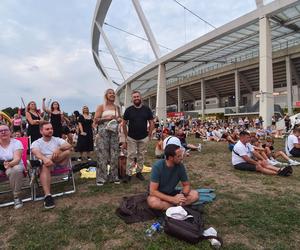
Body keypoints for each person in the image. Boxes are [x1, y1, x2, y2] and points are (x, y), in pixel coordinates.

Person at [31, 121, 72, 209]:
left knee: (67, 151)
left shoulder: (57, 139)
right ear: (41, 131)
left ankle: (40, 162)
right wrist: (45, 160)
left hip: (60, 163)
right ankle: (48, 196)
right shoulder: (37, 142)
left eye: (51, 128)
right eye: (47, 129)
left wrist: (59, 149)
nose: (50, 130)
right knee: (45, 165)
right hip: (47, 166)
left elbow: (69, 146)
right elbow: (36, 152)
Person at [147, 144, 199, 211]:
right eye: (178, 156)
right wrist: (173, 199)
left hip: (171, 192)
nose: (182, 158)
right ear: (171, 158)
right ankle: (177, 207)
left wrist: (181, 196)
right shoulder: (158, 166)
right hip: (159, 195)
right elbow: (153, 191)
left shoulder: (180, 166)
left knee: (195, 195)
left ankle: (171, 207)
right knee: (153, 203)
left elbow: (186, 185)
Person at [122, 91, 154, 182]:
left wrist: (150, 135)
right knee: (130, 155)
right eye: (134, 97)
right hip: (131, 137)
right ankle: (128, 174)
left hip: (143, 137)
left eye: (137, 96)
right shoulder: (128, 110)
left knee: (141, 155)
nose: (136, 98)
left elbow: (151, 122)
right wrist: (126, 136)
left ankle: (139, 172)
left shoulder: (147, 109)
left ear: (141, 98)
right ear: (132, 99)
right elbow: (123, 124)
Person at [93, 89, 121, 186]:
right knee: (102, 155)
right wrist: (107, 118)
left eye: (113, 93)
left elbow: (119, 119)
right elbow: (96, 120)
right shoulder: (101, 107)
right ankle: (101, 178)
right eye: (110, 93)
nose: (112, 94)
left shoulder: (117, 107)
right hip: (103, 132)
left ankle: (113, 176)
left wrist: (119, 119)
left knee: (114, 154)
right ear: (106, 95)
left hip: (114, 133)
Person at [0, 124, 24, 209]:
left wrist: (9, 164)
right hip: (2, 166)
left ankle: (17, 196)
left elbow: (17, 159)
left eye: (5, 130)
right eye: (1, 131)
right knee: (10, 171)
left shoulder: (16, 142)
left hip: (15, 164)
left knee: (15, 170)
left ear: (10, 132)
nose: (3, 132)